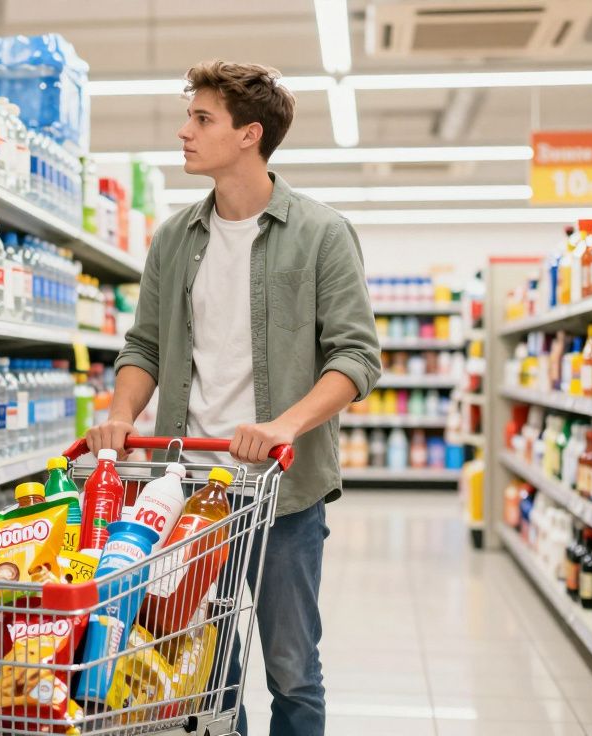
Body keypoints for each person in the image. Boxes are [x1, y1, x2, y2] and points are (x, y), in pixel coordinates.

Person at [84, 60, 381, 736]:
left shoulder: (321, 233)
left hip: (282, 493)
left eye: (202, 118)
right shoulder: (173, 238)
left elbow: (357, 357)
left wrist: (285, 425)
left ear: (250, 134)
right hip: (185, 493)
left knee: (292, 670)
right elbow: (145, 347)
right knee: (203, 667)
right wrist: (120, 415)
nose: (184, 131)